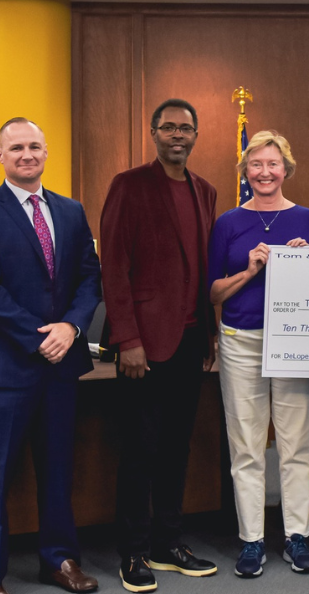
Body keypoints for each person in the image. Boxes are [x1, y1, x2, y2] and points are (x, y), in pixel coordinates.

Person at [0, 118, 102, 594]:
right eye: (16, 147)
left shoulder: (71, 210)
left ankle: (59, 561)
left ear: (46, 152)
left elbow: (89, 277)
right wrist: (39, 335)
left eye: (35, 146)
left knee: (59, 471)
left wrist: (72, 327)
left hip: (61, 367)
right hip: (5, 367)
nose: (26, 154)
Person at [99, 98, 220, 592]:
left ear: (195, 136)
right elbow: (114, 268)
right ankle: (134, 552)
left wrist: (209, 332)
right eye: (168, 127)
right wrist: (127, 338)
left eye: (185, 128)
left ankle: (169, 543)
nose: (177, 134)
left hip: (190, 341)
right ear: (153, 132)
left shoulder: (205, 191)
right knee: (140, 450)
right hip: (144, 346)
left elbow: (202, 268)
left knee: (176, 448)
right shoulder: (129, 185)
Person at [208, 131, 309, 578]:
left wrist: (307, 261)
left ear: (286, 169)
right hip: (241, 340)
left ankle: (297, 536)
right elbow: (213, 291)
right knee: (247, 446)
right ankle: (252, 541)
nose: (264, 172)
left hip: (296, 341)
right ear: (246, 172)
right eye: (255, 164)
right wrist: (250, 269)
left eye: (272, 164)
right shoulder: (228, 223)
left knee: (298, 444)